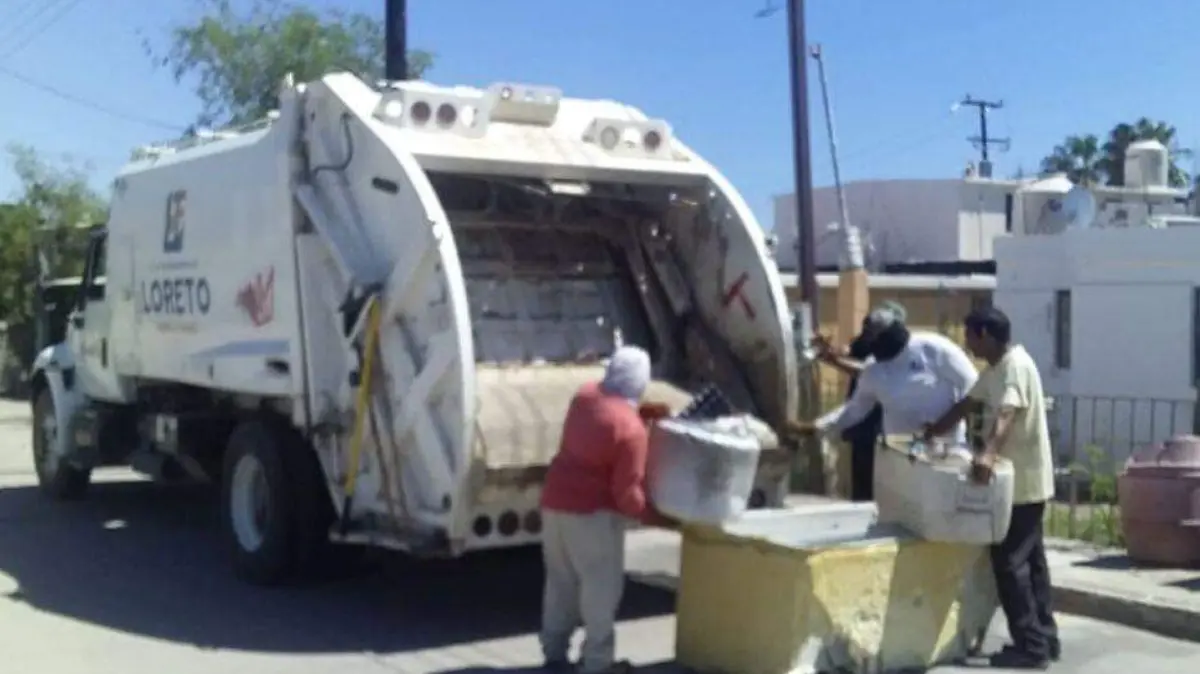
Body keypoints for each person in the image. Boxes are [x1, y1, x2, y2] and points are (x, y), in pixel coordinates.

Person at [923, 306, 1059, 670]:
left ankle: (1031, 648)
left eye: (969, 336)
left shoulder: (1015, 366)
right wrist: (933, 430)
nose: (967, 344)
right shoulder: (996, 369)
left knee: (1009, 563)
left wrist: (987, 454)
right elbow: (968, 404)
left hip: (1022, 485)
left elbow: (1006, 414)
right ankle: (1045, 638)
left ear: (984, 334)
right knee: (1032, 563)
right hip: (1023, 483)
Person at [538, 345, 673, 674]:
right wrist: (662, 519)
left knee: (561, 584)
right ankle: (597, 664)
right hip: (592, 517)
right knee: (600, 590)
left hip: (554, 504)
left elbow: (603, 421)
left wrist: (639, 413)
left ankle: (554, 654)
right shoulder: (632, 433)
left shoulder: (583, 397)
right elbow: (627, 495)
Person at [798, 306, 978, 446]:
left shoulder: (934, 347)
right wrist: (816, 427)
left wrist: (942, 426)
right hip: (898, 452)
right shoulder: (873, 370)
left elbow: (975, 387)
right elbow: (854, 410)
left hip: (946, 449)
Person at [815, 302, 908, 501]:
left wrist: (833, 360)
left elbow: (866, 371)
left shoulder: (898, 348)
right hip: (861, 415)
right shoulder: (867, 339)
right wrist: (829, 350)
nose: (868, 332)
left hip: (882, 417)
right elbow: (848, 351)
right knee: (861, 473)